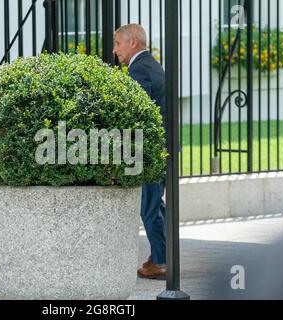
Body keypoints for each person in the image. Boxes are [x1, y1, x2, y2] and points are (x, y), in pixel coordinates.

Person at [113, 24, 167, 280]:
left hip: (149, 150)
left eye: (118, 44)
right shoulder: (152, 65)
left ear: (133, 42)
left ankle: (160, 261)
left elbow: (136, 114)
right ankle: (163, 256)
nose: (115, 51)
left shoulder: (140, 70)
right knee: (156, 206)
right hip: (161, 148)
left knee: (148, 207)